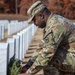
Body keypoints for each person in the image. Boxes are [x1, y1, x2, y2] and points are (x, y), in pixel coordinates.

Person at [19, 1, 75, 75]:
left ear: (41, 16)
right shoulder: (51, 22)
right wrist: (28, 66)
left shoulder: (55, 26)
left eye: (34, 20)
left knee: (48, 57)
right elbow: (41, 47)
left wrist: (29, 73)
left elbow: (47, 53)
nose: (35, 24)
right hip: (70, 55)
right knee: (45, 54)